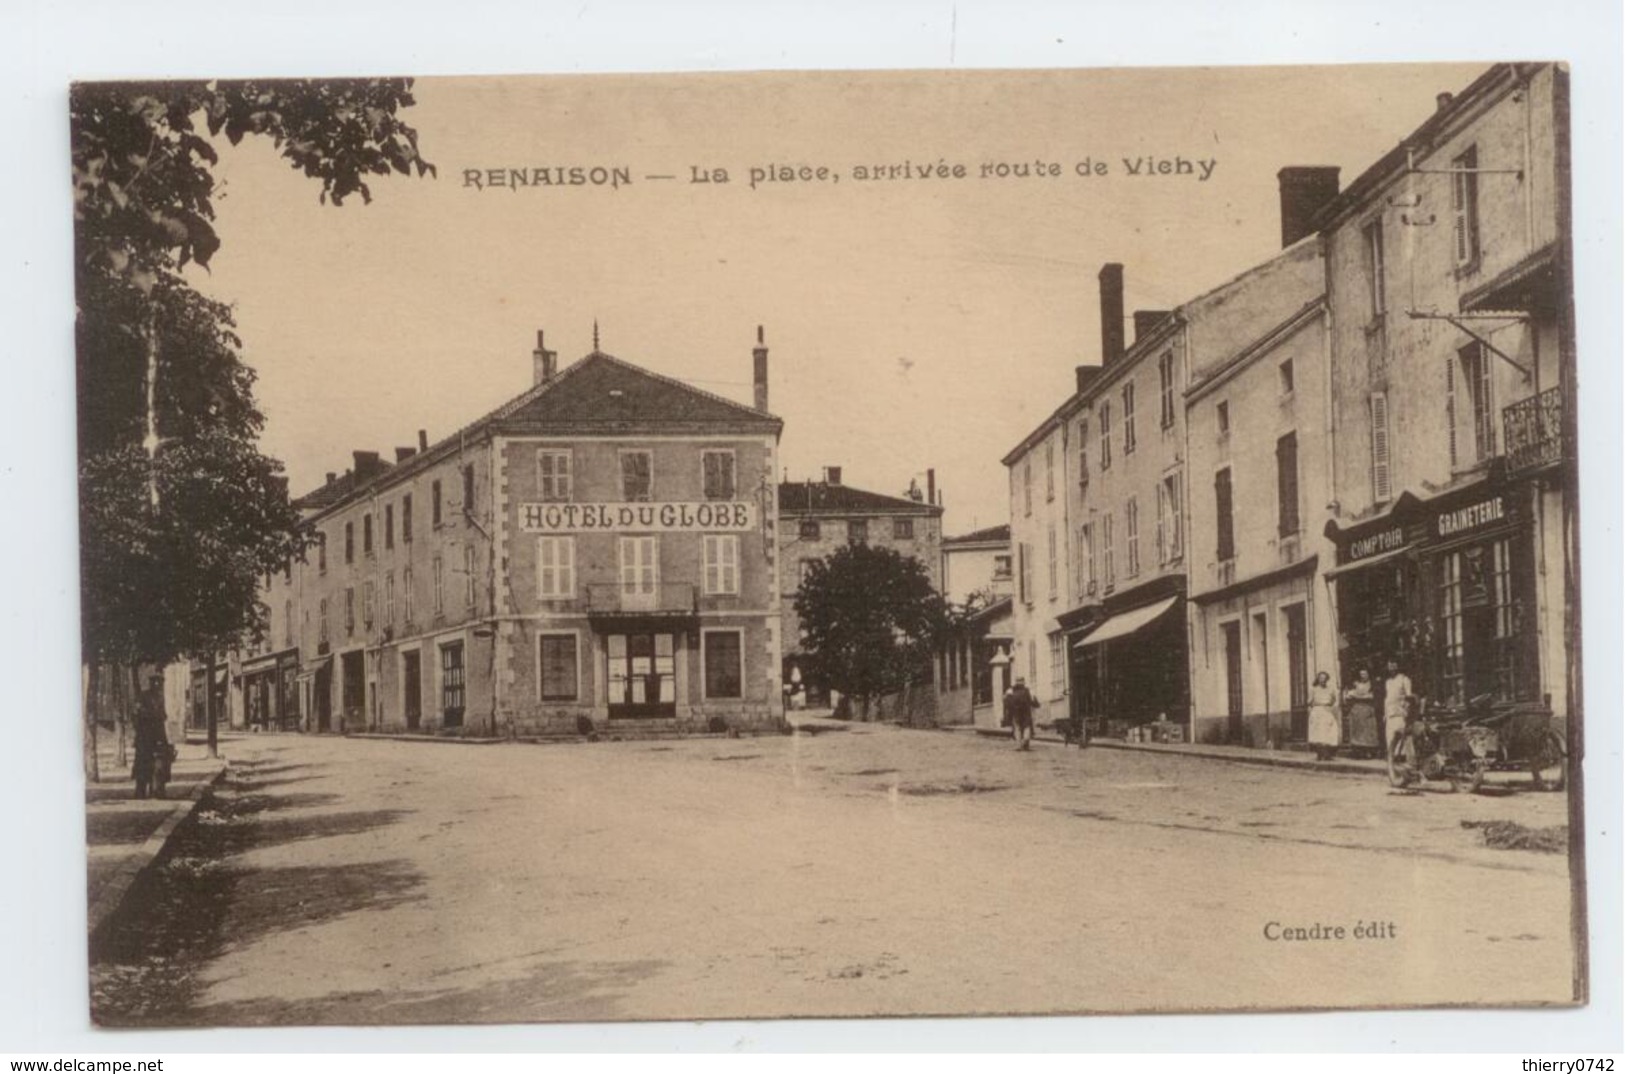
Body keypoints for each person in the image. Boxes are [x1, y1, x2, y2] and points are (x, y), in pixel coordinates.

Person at [132, 671, 171, 800]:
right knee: (142, 763)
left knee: (160, 762)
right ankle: (140, 790)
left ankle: (157, 790)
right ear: (150, 683)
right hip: (144, 735)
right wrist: (151, 717)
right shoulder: (143, 696)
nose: (157, 684)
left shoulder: (160, 698)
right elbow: (138, 713)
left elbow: (163, 716)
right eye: (154, 681)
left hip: (158, 735)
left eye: (159, 682)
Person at [1383, 659, 1413, 761]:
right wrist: (1385, 713)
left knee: (1399, 735)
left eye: (1394, 665)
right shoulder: (1388, 682)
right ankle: (1391, 758)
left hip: (1400, 712)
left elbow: (1408, 696)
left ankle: (1400, 756)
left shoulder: (1404, 679)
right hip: (1389, 712)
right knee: (1390, 736)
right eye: (1389, 666)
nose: (1391, 668)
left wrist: (1406, 711)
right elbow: (1387, 698)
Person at [1307, 671, 1340, 761]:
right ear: (1318, 679)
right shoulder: (1313, 689)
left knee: (1329, 732)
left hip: (1327, 711)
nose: (1322, 680)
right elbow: (1309, 702)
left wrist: (1331, 708)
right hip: (1317, 711)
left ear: (1327, 679)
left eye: (1324, 678)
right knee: (1318, 734)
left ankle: (1327, 754)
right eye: (1321, 678)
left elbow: (1334, 700)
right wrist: (1311, 711)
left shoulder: (1331, 689)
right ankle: (1319, 754)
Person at [1004, 677, 1038, 751]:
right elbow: (1034, 701)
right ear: (1023, 682)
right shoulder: (1028, 690)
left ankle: (1019, 744)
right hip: (1026, 712)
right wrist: (1036, 705)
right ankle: (1025, 741)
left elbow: (1006, 701)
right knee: (1027, 727)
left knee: (1017, 727)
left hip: (1016, 712)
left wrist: (1009, 712)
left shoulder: (1010, 690)